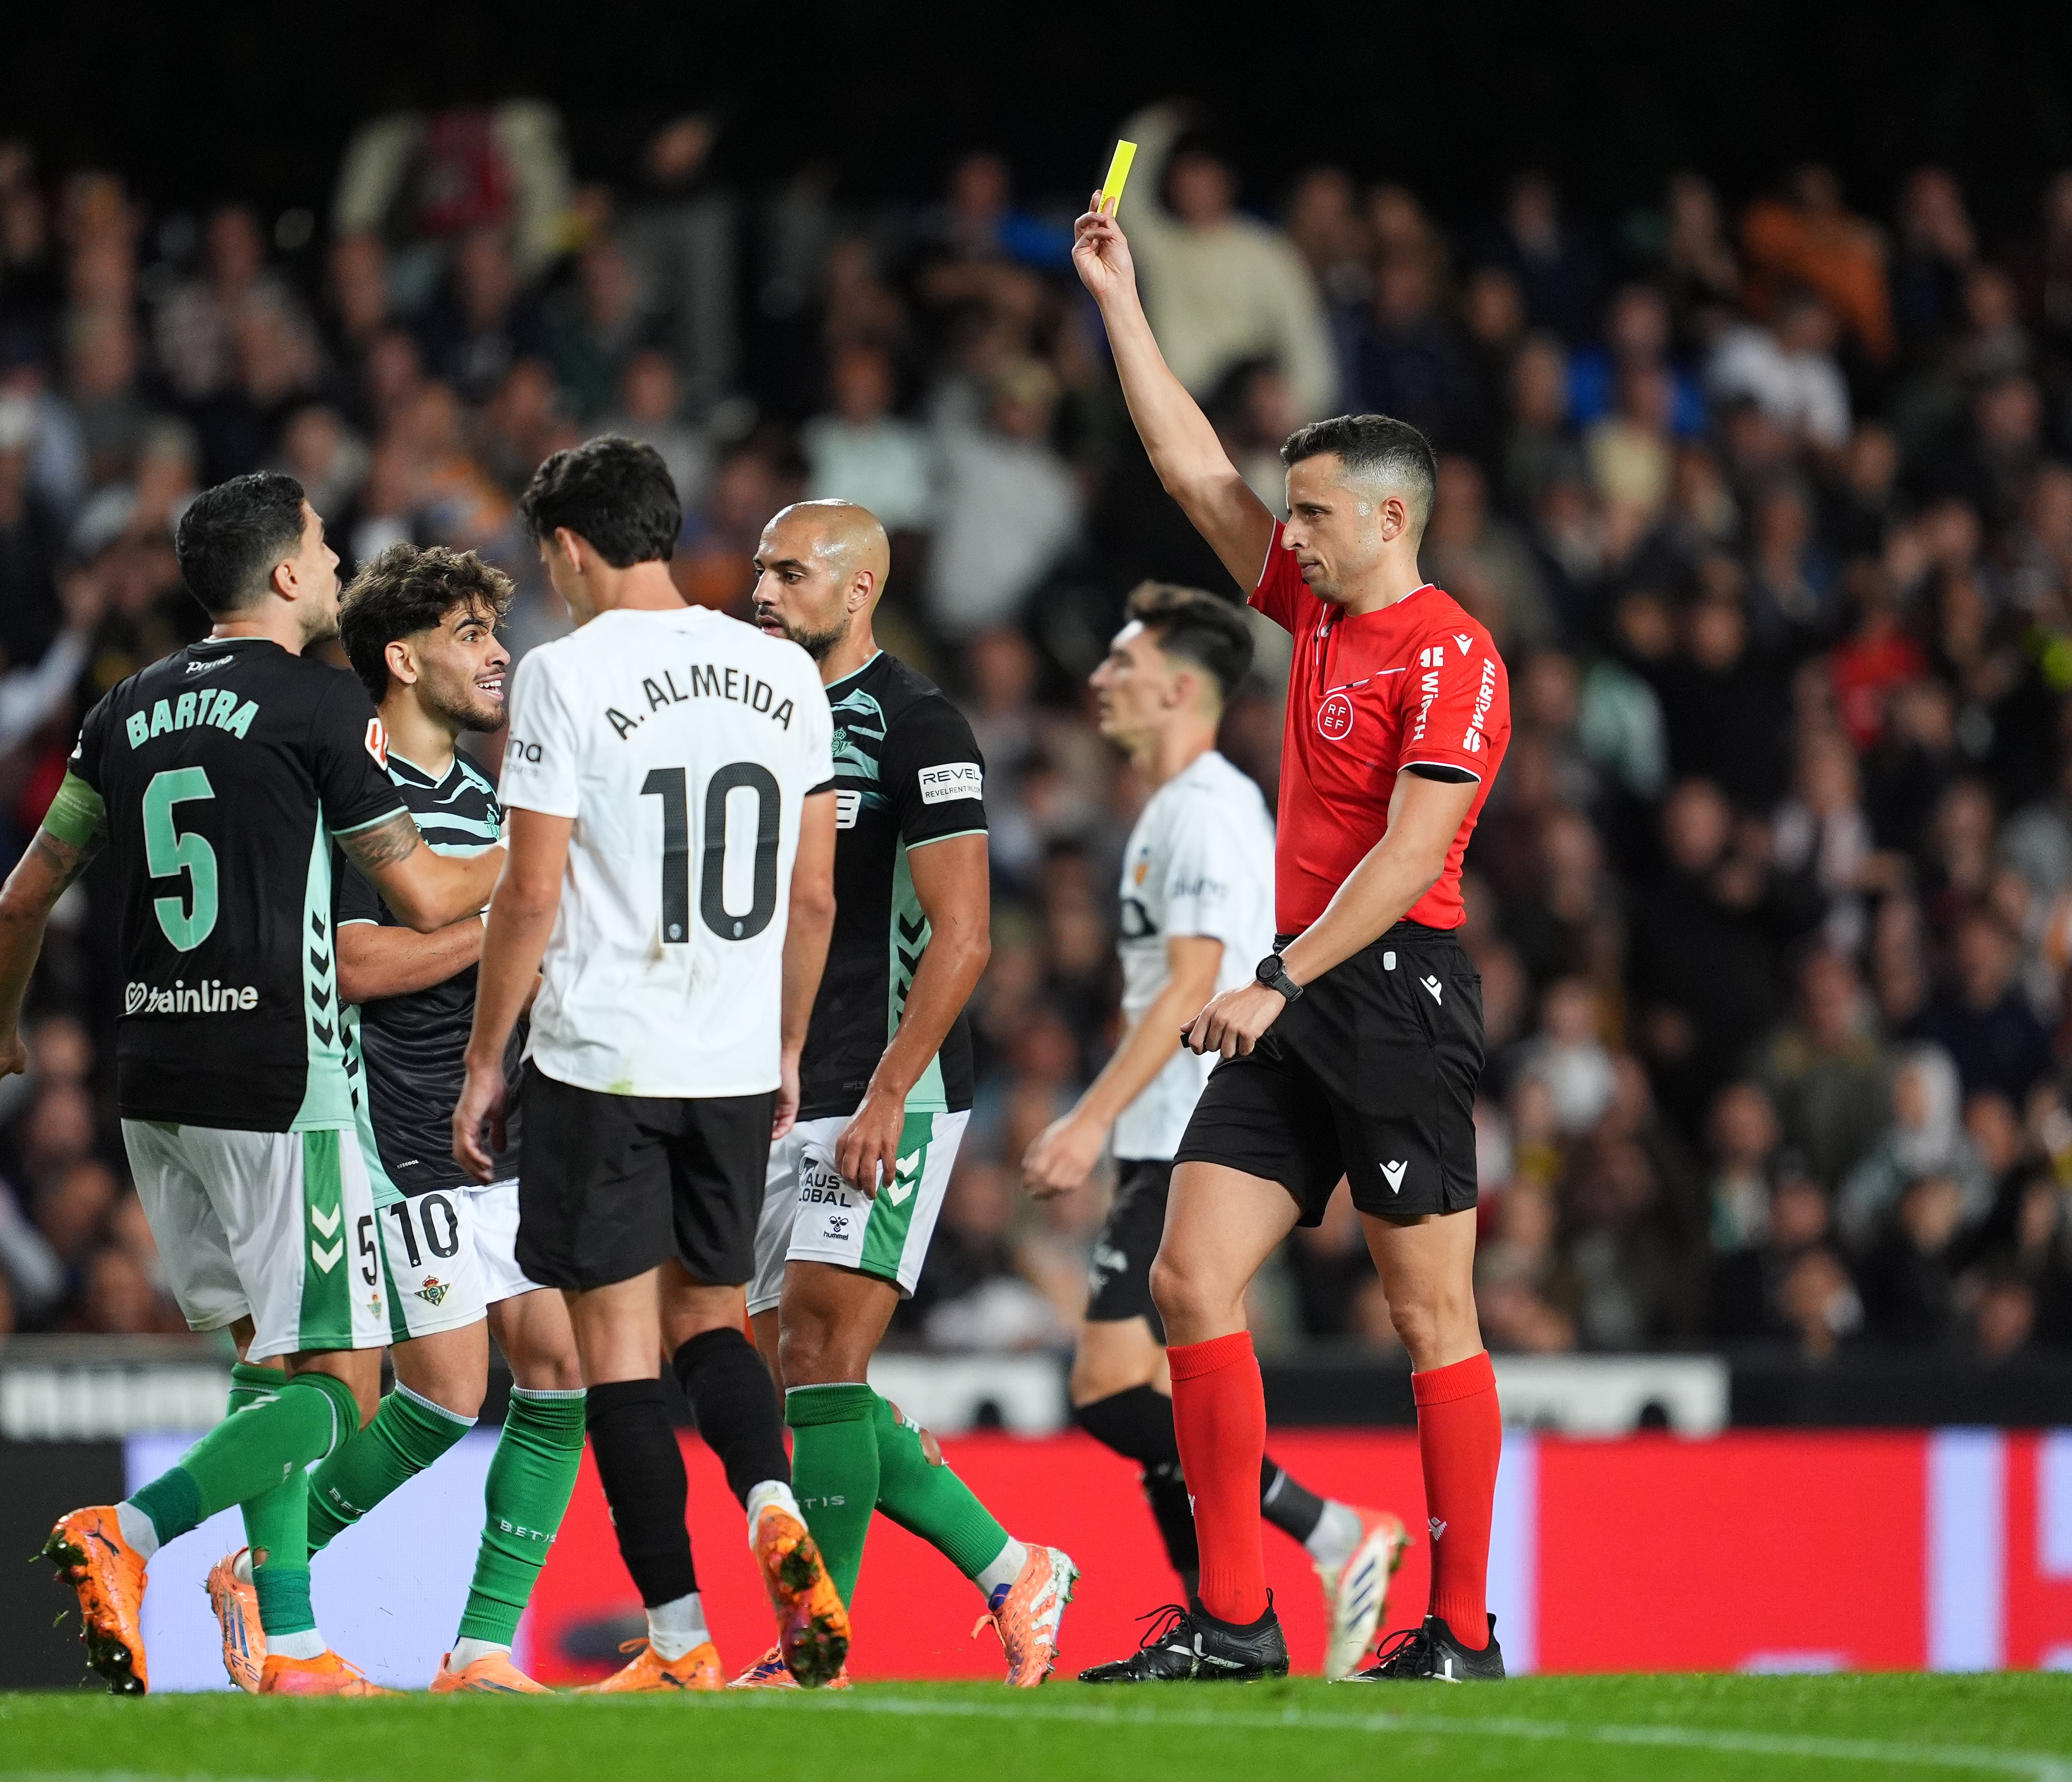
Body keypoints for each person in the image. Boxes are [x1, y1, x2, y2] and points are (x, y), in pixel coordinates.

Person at [0, 471, 504, 1698]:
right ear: (287, 575)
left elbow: (23, 897)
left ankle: (294, 1644)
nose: (337, 563)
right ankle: (129, 1530)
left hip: (155, 1079)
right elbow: (423, 892)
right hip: (279, 1082)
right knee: (342, 1390)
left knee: (270, 1363)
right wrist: (538, 854)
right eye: (323, 546)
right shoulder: (318, 701)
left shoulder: (123, 709)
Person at [1074, 196, 1514, 1684]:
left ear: (1390, 518)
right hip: (1297, 997)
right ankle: (1237, 1621)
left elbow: (1413, 857)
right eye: (1292, 513)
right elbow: (1188, 467)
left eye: (1313, 513)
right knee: (1190, 1283)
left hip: (1386, 996)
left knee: (1428, 1312)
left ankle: (1462, 1632)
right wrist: (1120, 300)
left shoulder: (1452, 656)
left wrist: (1277, 975)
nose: (1290, 534)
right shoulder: (1315, 612)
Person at [451, 437, 847, 1690]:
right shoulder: (784, 672)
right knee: (712, 1320)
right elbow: (816, 895)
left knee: (618, 1352)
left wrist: (484, 1059)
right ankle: (771, 1501)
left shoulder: (563, 674)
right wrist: (787, 1043)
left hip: (601, 1056)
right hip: (731, 1058)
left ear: (571, 548)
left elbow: (528, 894)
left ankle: (679, 1636)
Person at [205, 542, 587, 1697]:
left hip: (504, 1126)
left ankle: (481, 1650)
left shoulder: (488, 798)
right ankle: (263, 1571)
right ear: (403, 658)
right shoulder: (350, 791)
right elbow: (358, 963)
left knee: (560, 1370)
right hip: (396, 1130)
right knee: (445, 1392)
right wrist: (507, 927)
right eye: (471, 634)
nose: (498, 654)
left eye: (496, 631)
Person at [1020, 579, 1411, 1679]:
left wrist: (1089, 1119)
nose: (1100, 679)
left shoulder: (1203, 809)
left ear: (1181, 689)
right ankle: (1226, 1622)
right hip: (1170, 1122)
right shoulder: (1180, 807)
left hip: (1181, 1121)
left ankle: (1327, 1534)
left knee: (1110, 1389)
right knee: (1158, 1397)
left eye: (1123, 662)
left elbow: (1192, 984)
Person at [738, 498, 1075, 1689]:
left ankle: (814, 1654)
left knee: (821, 1352)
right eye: (758, 569)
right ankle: (1015, 1568)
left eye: (789, 572)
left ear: (859, 587)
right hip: (769, 1083)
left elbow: (965, 934)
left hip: (888, 1083)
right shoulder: (747, 714)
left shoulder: (919, 723)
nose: (761, 590)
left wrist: (888, 1093)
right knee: (792, 1374)